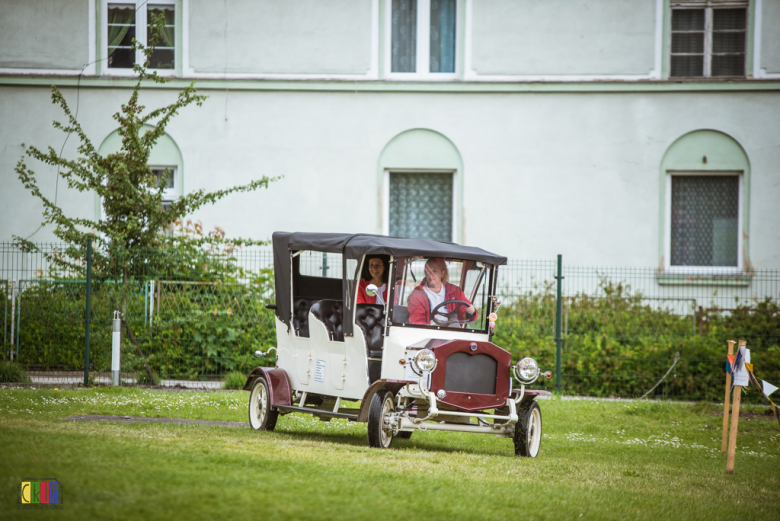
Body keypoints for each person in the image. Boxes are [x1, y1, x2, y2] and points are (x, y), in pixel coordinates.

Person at [407, 258, 477, 326]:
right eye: (428, 271)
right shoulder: (417, 294)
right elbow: (417, 321)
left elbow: (464, 312)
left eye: (435, 271)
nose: (431, 274)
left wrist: (470, 311)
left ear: (442, 273)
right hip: (430, 334)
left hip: (452, 332)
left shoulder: (455, 291)